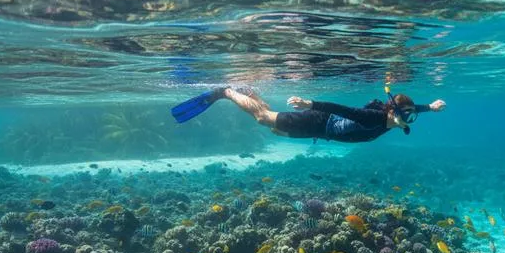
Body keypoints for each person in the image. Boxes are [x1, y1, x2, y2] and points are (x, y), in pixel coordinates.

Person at [171, 85, 446, 142]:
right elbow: (341, 109)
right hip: (319, 121)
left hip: (320, 131)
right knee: (263, 119)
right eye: (406, 115)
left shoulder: (391, 117)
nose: (409, 120)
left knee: (273, 126)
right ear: (392, 110)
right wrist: (309, 103)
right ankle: (227, 92)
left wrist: (430, 108)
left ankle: (249, 91)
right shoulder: (374, 117)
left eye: (412, 117)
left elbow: (413, 108)